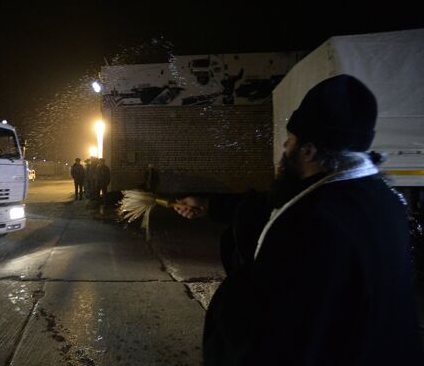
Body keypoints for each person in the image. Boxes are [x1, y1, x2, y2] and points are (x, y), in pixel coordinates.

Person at [174, 74, 423, 365]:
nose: (283, 148)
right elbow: (270, 206)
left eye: (289, 140)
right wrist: (208, 205)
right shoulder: (384, 200)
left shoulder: (312, 222)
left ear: (308, 149)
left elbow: (268, 334)